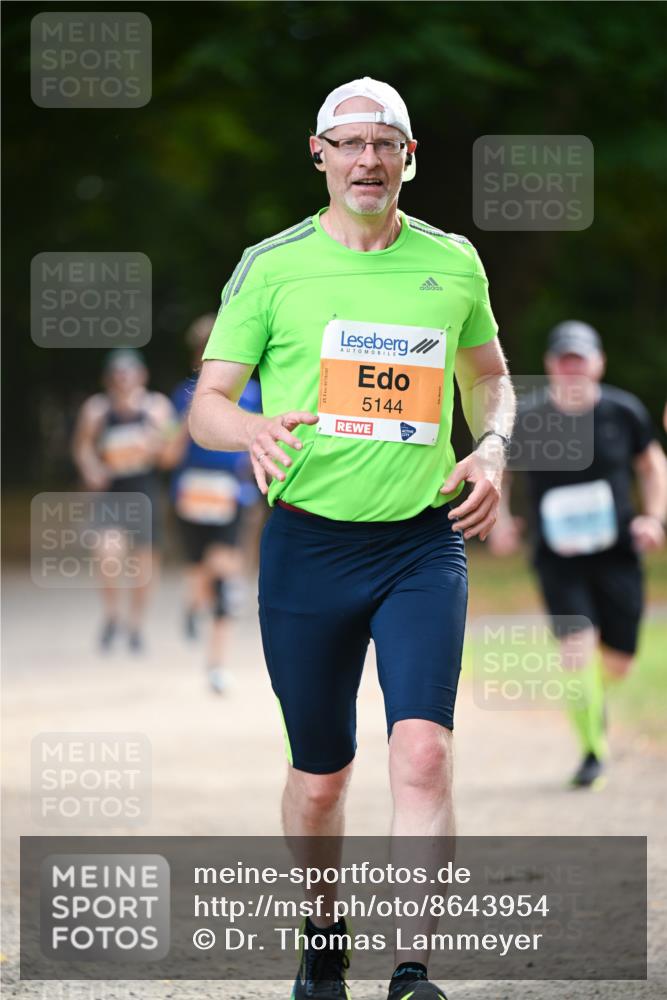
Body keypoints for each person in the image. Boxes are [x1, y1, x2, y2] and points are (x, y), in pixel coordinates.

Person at [190, 77, 515, 1000]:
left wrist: (490, 447)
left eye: (385, 144)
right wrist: (248, 428)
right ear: (318, 153)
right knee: (322, 777)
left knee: (422, 752)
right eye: (350, 143)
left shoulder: (453, 263)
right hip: (307, 546)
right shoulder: (271, 265)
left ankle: (412, 969)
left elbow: (490, 378)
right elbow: (209, 403)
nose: (367, 160)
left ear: (408, 158)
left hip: (420, 542)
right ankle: (322, 933)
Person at [490, 320, 667, 788]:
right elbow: (500, 473)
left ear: (598, 363)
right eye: (563, 361)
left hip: (616, 554)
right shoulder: (528, 418)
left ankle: (589, 697)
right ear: (550, 366)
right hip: (557, 557)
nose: (572, 369)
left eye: (580, 360)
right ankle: (593, 751)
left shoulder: (622, 412)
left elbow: (652, 467)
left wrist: (655, 518)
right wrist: (503, 522)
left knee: (619, 662)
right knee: (575, 651)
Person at [168, 314, 262, 694]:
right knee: (201, 570)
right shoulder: (185, 394)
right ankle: (194, 602)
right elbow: (170, 450)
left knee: (224, 575)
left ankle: (216, 665)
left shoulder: (256, 391)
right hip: (192, 494)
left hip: (232, 494)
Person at [72, 349, 176, 652]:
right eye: (117, 374)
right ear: (108, 379)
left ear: (141, 375)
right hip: (111, 494)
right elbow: (82, 447)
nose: (123, 380)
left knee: (145, 567)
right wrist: (91, 467)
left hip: (145, 492)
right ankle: (112, 615)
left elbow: (171, 451)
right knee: (107, 555)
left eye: (128, 373)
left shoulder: (157, 408)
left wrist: (156, 445)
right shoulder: (96, 409)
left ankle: (136, 625)